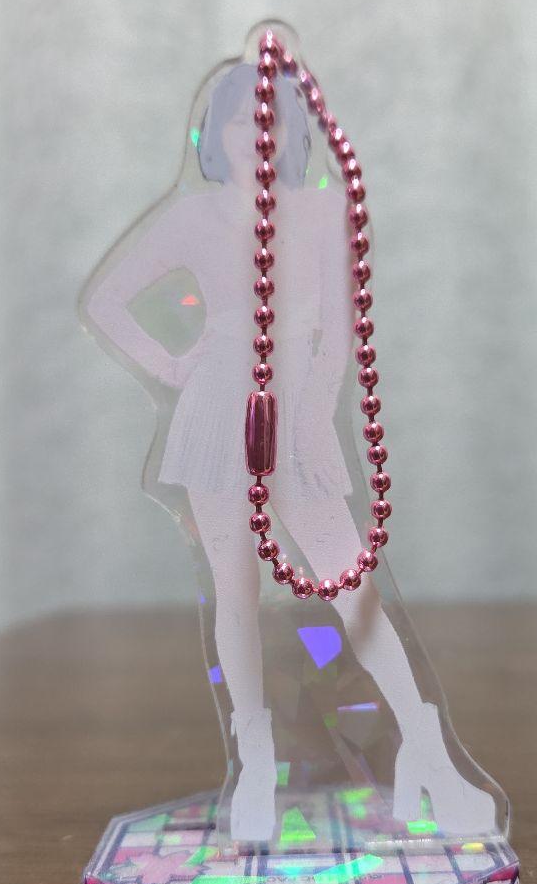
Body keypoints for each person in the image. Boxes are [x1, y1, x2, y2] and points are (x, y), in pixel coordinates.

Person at [80, 61, 502, 841]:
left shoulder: (321, 212)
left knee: (352, 586)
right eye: (243, 118)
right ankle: (254, 762)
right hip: (218, 412)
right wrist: (174, 366)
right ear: (218, 132)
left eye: (273, 119)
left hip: (299, 410)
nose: (258, 133)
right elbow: (106, 300)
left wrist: (308, 416)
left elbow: (337, 336)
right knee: (235, 588)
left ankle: (427, 751)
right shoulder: (193, 217)